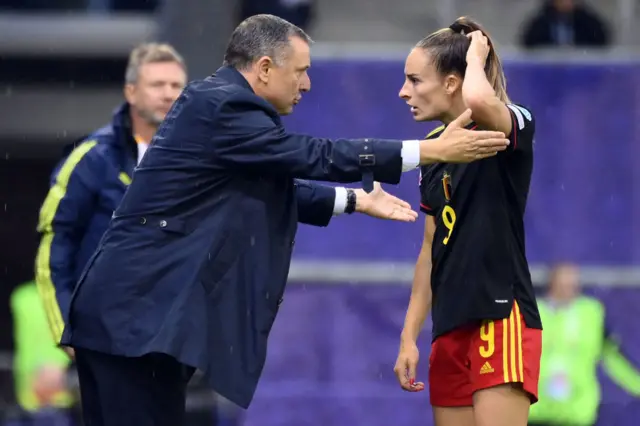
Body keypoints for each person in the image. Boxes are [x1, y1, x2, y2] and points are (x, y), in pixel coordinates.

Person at [61, 14, 510, 426]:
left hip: (132, 321)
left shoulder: (223, 107)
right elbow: (310, 156)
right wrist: (427, 150)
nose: (308, 83)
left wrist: (355, 200)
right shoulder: (225, 108)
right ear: (263, 68)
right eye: (301, 71)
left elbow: (272, 187)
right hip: (134, 322)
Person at [393, 16, 542, 426]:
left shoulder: (513, 121)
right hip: (450, 326)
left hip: (500, 318)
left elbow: (480, 102)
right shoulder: (432, 149)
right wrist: (409, 335)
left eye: (414, 80)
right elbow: (429, 248)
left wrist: (476, 55)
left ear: (452, 83)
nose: (404, 91)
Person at [35, 42, 187, 355]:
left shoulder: (201, 161)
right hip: (102, 338)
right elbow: (55, 250)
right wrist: (65, 329)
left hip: (171, 342)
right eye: (157, 84)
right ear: (131, 92)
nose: (169, 93)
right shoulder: (92, 160)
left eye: (176, 85)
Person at [528, 263, 640, 426]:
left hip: (577, 414)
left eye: (573, 283)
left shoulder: (591, 313)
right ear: (551, 283)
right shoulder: (528, 312)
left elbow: (614, 358)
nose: (569, 288)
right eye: (563, 283)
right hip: (536, 412)